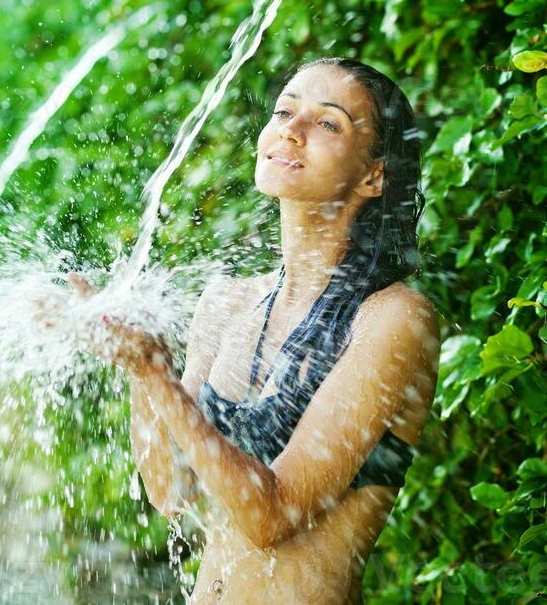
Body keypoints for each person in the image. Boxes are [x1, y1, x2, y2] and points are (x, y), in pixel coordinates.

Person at [64, 57, 441, 603]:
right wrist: (141, 366)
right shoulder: (227, 302)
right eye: (285, 110)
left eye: (328, 122)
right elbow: (171, 488)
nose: (291, 128)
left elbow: (270, 517)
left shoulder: (392, 319)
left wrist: (155, 372)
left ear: (373, 175)